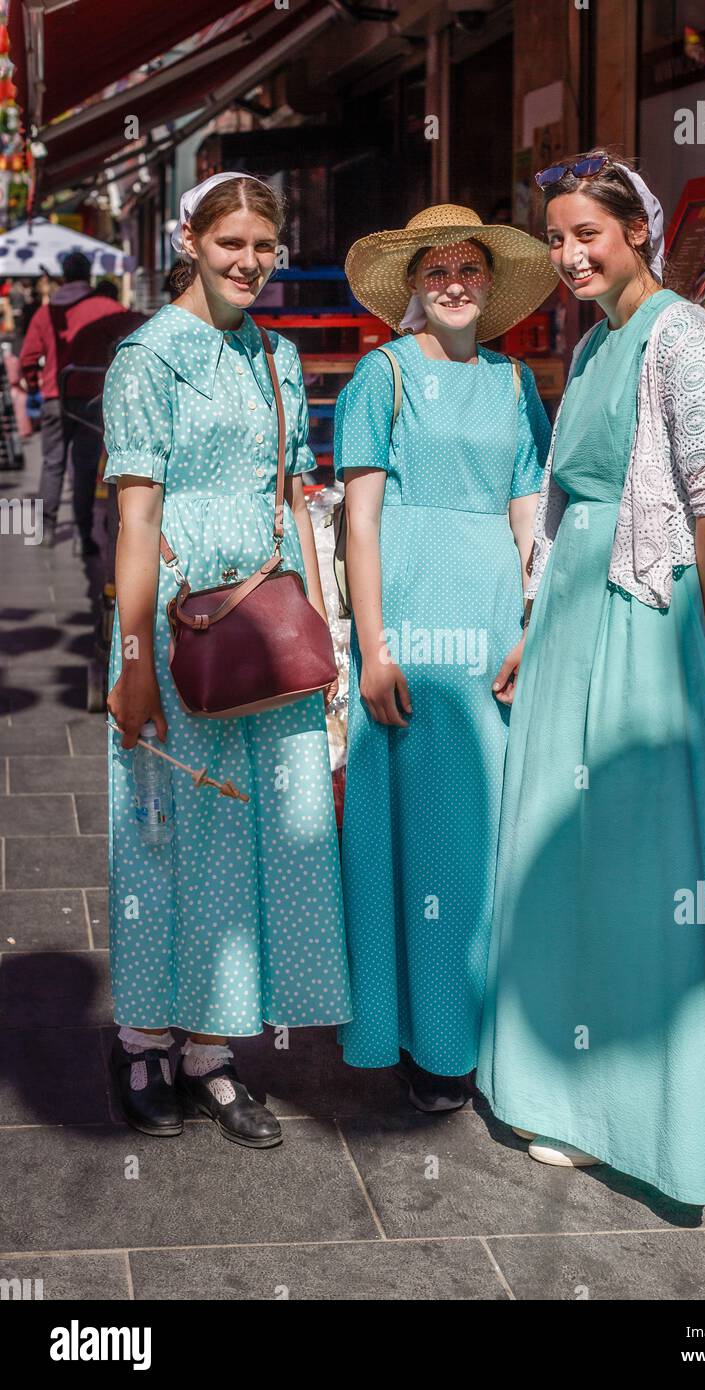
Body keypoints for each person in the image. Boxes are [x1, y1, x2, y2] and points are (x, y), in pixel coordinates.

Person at [475, 151, 705, 1207]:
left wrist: (700, 641)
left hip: (647, 615)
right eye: (554, 237)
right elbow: (561, 500)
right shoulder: (591, 345)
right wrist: (533, 620)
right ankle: (561, 1090)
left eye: (586, 232)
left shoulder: (683, 337)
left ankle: (644, 1111)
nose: (567, 253)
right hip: (573, 617)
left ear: (637, 230)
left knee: (637, 856)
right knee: (560, 841)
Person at [103, 172, 351, 1148]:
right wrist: (129, 659)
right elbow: (135, 515)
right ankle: (138, 1039)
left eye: (263, 245)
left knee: (260, 844)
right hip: (176, 620)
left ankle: (210, 1050)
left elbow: (296, 498)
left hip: (270, 615)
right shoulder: (147, 358)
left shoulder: (278, 355)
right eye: (230, 243)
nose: (249, 262)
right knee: (164, 835)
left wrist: (325, 627)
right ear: (191, 241)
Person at [333, 204, 556, 1110]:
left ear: (492, 285)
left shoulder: (514, 384)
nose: (455, 282)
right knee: (421, 834)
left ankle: (480, 1027)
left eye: (470, 269)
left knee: (489, 830)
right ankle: (425, 1040)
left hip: (494, 619)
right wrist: (373, 644)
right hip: (412, 624)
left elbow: (529, 510)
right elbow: (359, 519)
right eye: (437, 271)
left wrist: (535, 616)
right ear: (416, 288)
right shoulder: (379, 377)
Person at [20, 250, 126, 553]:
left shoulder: (47, 311)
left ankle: (47, 530)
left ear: (64, 276)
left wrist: (33, 384)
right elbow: (138, 330)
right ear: (89, 274)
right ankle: (83, 536)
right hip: (92, 398)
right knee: (84, 466)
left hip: (56, 395)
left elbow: (28, 357)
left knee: (52, 464)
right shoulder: (105, 307)